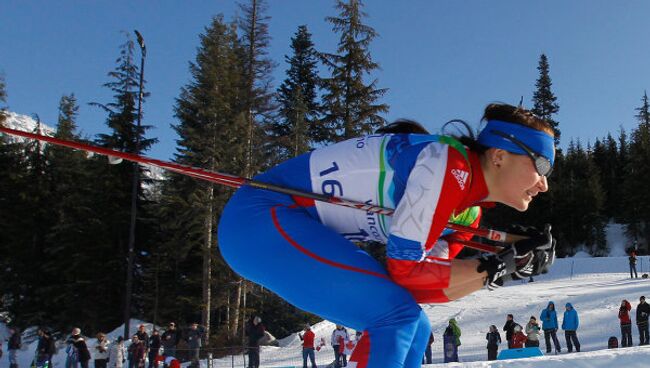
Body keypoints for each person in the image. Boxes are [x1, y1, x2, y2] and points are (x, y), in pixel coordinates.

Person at [218, 103, 557, 368]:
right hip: (260, 218)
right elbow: (407, 270)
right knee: (395, 317)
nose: (544, 183)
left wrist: (505, 262)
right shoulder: (448, 165)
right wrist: (498, 266)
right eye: (542, 165)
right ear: (498, 156)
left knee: (414, 325)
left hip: (283, 225)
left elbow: (421, 283)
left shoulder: (468, 210)